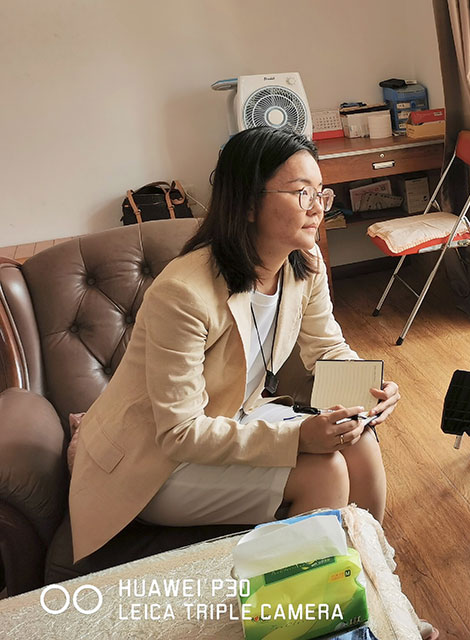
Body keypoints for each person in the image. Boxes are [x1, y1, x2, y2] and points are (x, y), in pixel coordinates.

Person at [69, 126, 400, 563]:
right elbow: (180, 432)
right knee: (323, 470)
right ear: (246, 203)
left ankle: (373, 590)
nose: (318, 207)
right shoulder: (183, 293)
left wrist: (369, 391)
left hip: (233, 416)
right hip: (156, 460)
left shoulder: (304, 265)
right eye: (302, 192)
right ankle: (319, 614)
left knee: (360, 442)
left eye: (322, 193)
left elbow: (326, 349)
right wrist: (299, 437)